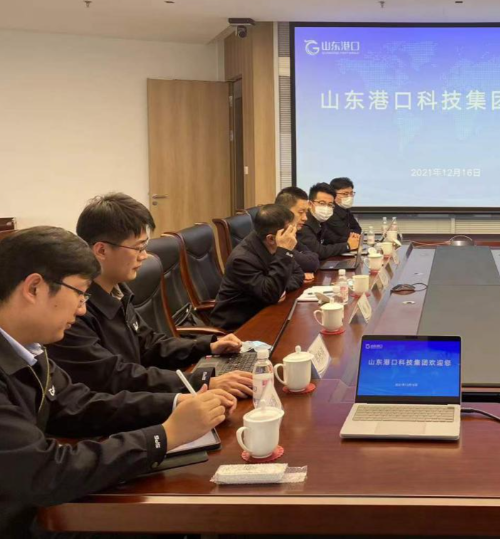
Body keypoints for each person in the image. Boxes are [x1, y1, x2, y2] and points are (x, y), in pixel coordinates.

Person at [0, 227, 235, 538]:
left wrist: (177, 403)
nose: (82, 308)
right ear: (34, 288)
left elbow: (77, 405)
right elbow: (45, 472)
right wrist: (164, 435)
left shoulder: (30, 346)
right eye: (79, 293)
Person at [48, 193, 253, 398]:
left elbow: (148, 344)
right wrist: (203, 382)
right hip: (121, 407)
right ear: (101, 250)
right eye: (138, 248)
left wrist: (207, 346)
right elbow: (116, 376)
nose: (144, 256)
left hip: (141, 398)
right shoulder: (74, 311)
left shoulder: (118, 290)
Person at [211, 204, 308, 331]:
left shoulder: (274, 245)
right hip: (239, 327)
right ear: (271, 238)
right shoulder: (241, 260)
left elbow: (298, 274)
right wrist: (284, 252)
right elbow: (271, 294)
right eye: (289, 231)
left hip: (266, 313)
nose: (293, 235)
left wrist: (281, 289)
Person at [298, 182, 361, 260]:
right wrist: (347, 245)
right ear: (310, 204)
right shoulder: (303, 224)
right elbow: (318, 251)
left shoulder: (321, 220)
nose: (326, 208)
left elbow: (332, 239)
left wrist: (352, 240)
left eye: (330, 204)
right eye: (322, 203)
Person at [273, 186, 320, 277]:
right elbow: (309, 265)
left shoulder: (290, 232)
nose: (305, 218)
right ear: (283, 212)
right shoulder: (275, 237)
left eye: (306, 212)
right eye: (301, 212)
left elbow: (314, 260)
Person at [323, 177, 362, 245]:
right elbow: (344, 232)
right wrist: (353, 237)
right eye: (345, 194)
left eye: (351, 193)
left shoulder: (345, 209)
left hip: (345, 245)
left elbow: (357, 228)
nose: (349, 197)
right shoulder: (330, 211)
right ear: (333, 194)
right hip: (332, 247)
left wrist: (354, 236)